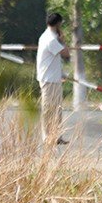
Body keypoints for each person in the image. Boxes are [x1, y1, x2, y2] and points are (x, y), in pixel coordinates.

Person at [35, 12, 69, 145]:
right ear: (58, 23)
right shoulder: (50, 39)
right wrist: (63, 39)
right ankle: (47, 136)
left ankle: (56, 136)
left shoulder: (50, 36)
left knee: (57, 108)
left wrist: (61, 73)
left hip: (54, 77)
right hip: (48, 79)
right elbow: (66, 53)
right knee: (48, 108)